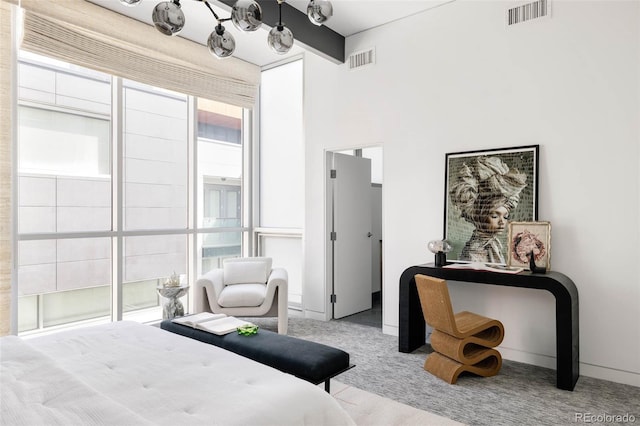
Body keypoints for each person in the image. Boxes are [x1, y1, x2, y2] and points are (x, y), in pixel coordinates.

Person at [449, 155, 527, 264]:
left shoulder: (493, 244)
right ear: (481, 217)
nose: (502, 222)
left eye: (506, 217)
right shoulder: (475, 250)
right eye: (495, 216)